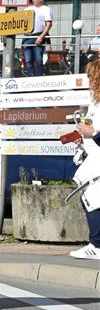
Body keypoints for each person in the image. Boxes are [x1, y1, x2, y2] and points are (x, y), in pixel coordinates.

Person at [69, 60, 100, 260]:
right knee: (91, 198)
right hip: (93, 153)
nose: (88, 80)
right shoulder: (95, 101)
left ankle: (96, 245)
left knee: (91, 198)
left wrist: (93, 132)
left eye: (90, 76)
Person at [22, 0, 52, 77]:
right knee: (28, 60)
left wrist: (41, 37)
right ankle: (30, 77)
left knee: (38, 60)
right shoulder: (28, 9)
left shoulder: (46, 9)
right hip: (27, 36)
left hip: (38, 36)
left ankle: (38, 78)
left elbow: (48, 25)